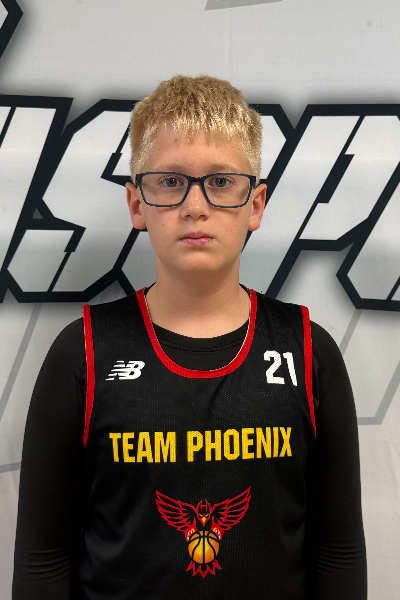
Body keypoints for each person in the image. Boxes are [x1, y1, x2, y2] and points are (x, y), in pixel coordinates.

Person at [12, 75, 367, 600]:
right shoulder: (82, 352)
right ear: (137, 203)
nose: (195, 205)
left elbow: (337, 552)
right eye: (170, 181)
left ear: (255, 204)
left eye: (221, 181)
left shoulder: (309, 351)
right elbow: (44, 560)